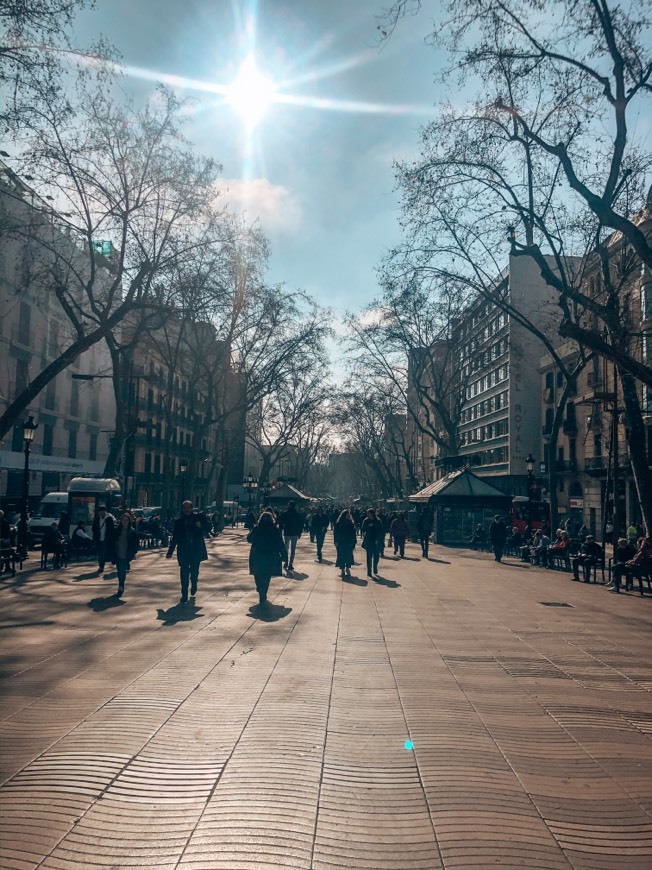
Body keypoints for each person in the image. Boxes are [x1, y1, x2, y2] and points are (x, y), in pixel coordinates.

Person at [166, 500, 208, 603]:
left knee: (194, 571)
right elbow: (175, 537)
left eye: (189, 507)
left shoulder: (198, 518)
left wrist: (200, 526)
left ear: (192, 508)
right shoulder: (178, 521)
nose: (187, 509)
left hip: (195, 550)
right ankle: (184, 593)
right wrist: (170, 551)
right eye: (185, 507)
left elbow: (208, 528)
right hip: (183, 550)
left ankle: (194, 583)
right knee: (184, 571)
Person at [247, 511, 287, 605]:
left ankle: (259, 587)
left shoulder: (257, 528)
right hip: (270, 554)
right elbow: (280, 543)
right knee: (267, 574)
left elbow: (249, 539)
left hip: (257, 554)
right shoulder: (275, 529)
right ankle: (263, 592)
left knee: (257, 573)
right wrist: (284, 556)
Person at [110, 513, 139, 597]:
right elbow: (112, 542)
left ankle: (121, 586)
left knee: (122, 571)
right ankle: (121, 585)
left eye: (126, 520)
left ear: (129, 521)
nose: (125, 522)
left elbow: (135, 544)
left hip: (126, 554)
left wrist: (133, 553)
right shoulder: (117, 530)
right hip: (118, 553)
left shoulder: (132, 531)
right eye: (123, 520)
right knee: (120, 571)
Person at [278, 500, 304, 572]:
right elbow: (300, 524)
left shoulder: (285, 514)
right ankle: (290, 564)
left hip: (287, 533)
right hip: (294, 533)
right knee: (293, 549)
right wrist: (299, 533)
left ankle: (286, 562)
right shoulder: (297, 515)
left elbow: (281, 523)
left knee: (286, 548)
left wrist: (280, 531)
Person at [92, 505, 115, 575]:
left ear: (105, 511)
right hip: (99, 539)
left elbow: (111, 530)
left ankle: (102, 566)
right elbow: (94, 528)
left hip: (106, 539)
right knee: (100, 553)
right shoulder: (97, 519)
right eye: (101, 511)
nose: (102, 512)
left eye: (103, 511)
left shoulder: (109, 519)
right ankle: (101, 566)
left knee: (103, 553)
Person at [361, 508, 384, 577]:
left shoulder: (378, 521)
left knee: (376, 556)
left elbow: (381, 531)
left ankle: (375, 567)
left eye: (368, 513)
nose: (367, 515)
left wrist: (378, 539)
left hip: (376, 541)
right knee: (369, 557)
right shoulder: (366, 521)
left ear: (372, 514)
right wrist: (368, 526)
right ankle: (369, 571)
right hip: (369, 541)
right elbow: (362, 529)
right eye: (367, 513)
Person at [334, 509, 356, 578]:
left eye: (348, 515)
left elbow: (353, 534)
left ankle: (347, 568)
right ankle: (342, 569)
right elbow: (335, 533)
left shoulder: (351, 523)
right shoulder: (339, 523)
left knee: (348, 556)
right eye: (346, 515)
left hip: (348, 542)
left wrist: (353, 542)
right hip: (341, 542)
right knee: (341, 556)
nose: (348, 516)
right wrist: (336, 541)